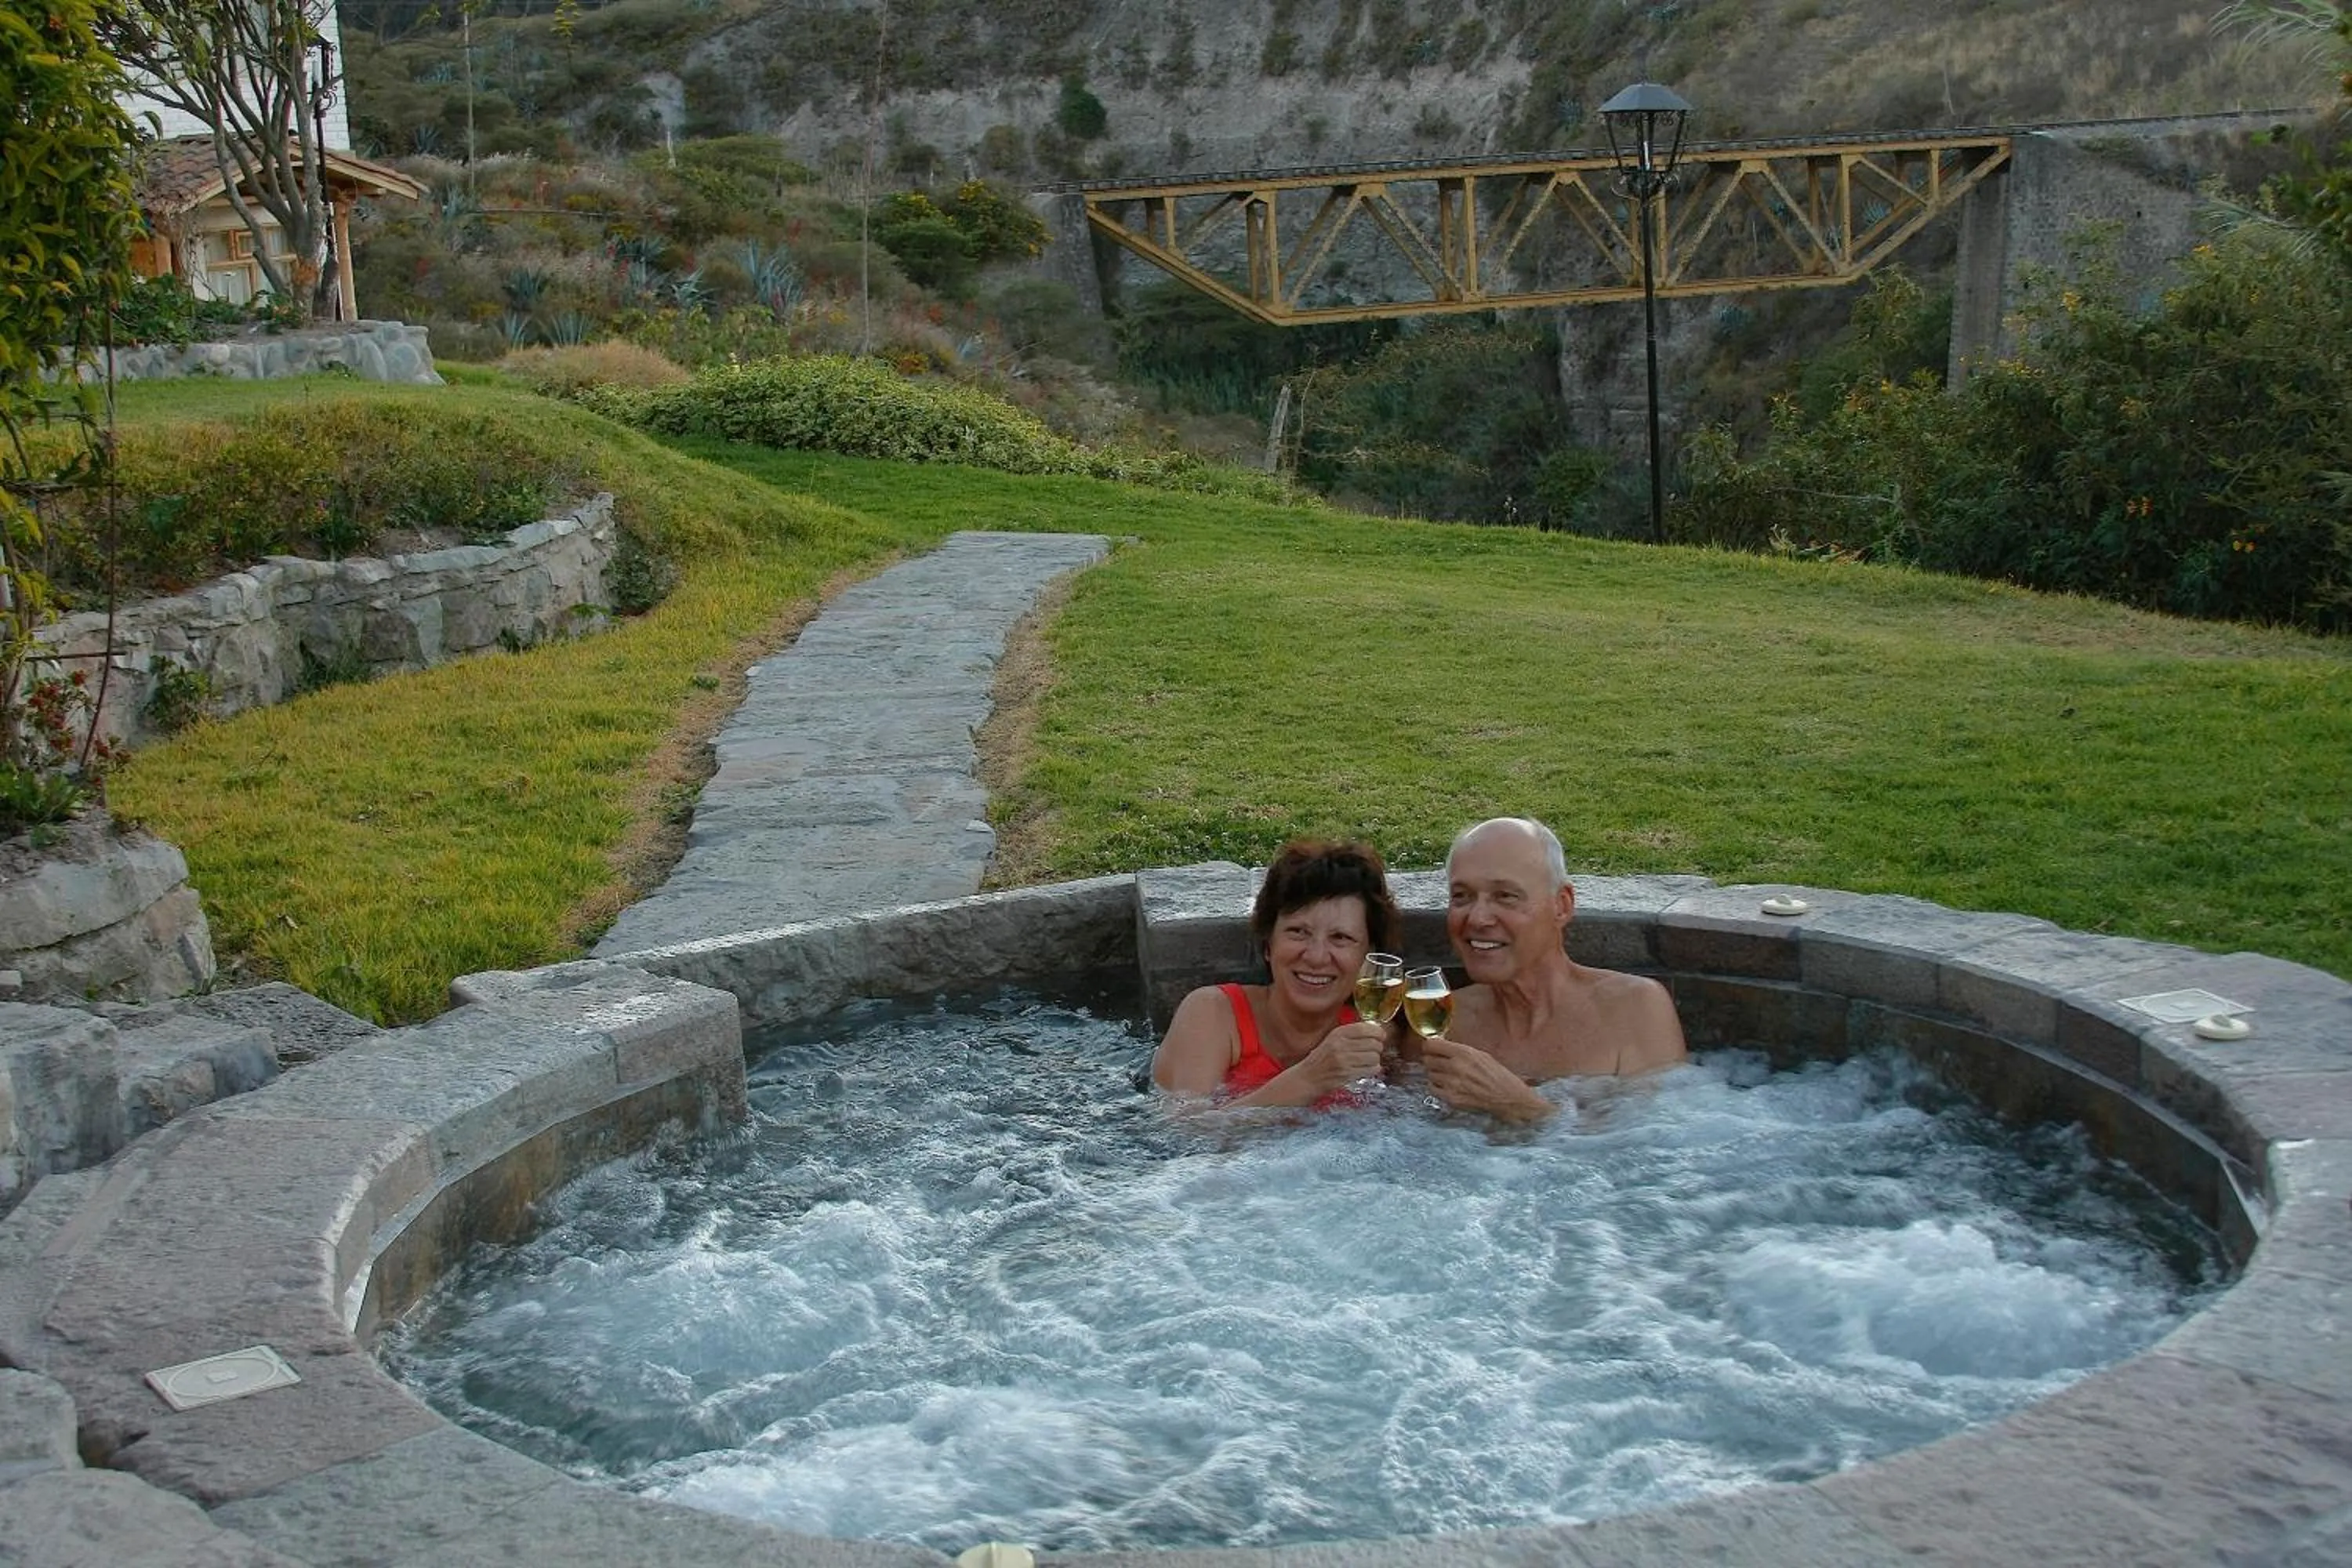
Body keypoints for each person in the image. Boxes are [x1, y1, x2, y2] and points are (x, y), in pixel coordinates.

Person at [1419, 817, 1687, 1123]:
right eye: (1461, 896)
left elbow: (1665, 1142)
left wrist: (1522, 1108)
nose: (1478, 918)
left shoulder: (1634, 1010)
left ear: (1562, 906)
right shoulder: (1440, 1022)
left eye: (1505, 896)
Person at [1151, 839, 1403, 1108]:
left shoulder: (1374, 1037)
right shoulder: (1212, 1014)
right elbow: (1185, 1129)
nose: (1316, 957)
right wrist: (1310, 1079)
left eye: (1340, 938)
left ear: (1368, 956)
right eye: (1298, 932)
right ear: (1268, 943)